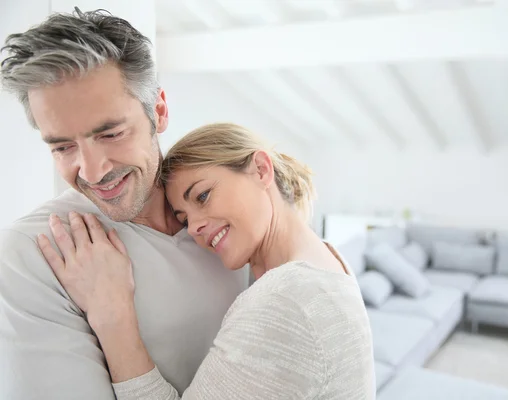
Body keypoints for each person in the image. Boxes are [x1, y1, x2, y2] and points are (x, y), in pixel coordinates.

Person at [0, 9, 248, 400]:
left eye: (111, 133)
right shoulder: (34, 252)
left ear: (159, 111)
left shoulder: (231, 210)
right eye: (63, 147)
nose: (93, 172)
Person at [38, 122, 376, 399]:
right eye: (184, 219)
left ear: (261, 169)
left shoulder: (284, 297)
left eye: (202, 195)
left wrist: (112, 315)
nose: (195, 227)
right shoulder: (330, 259)